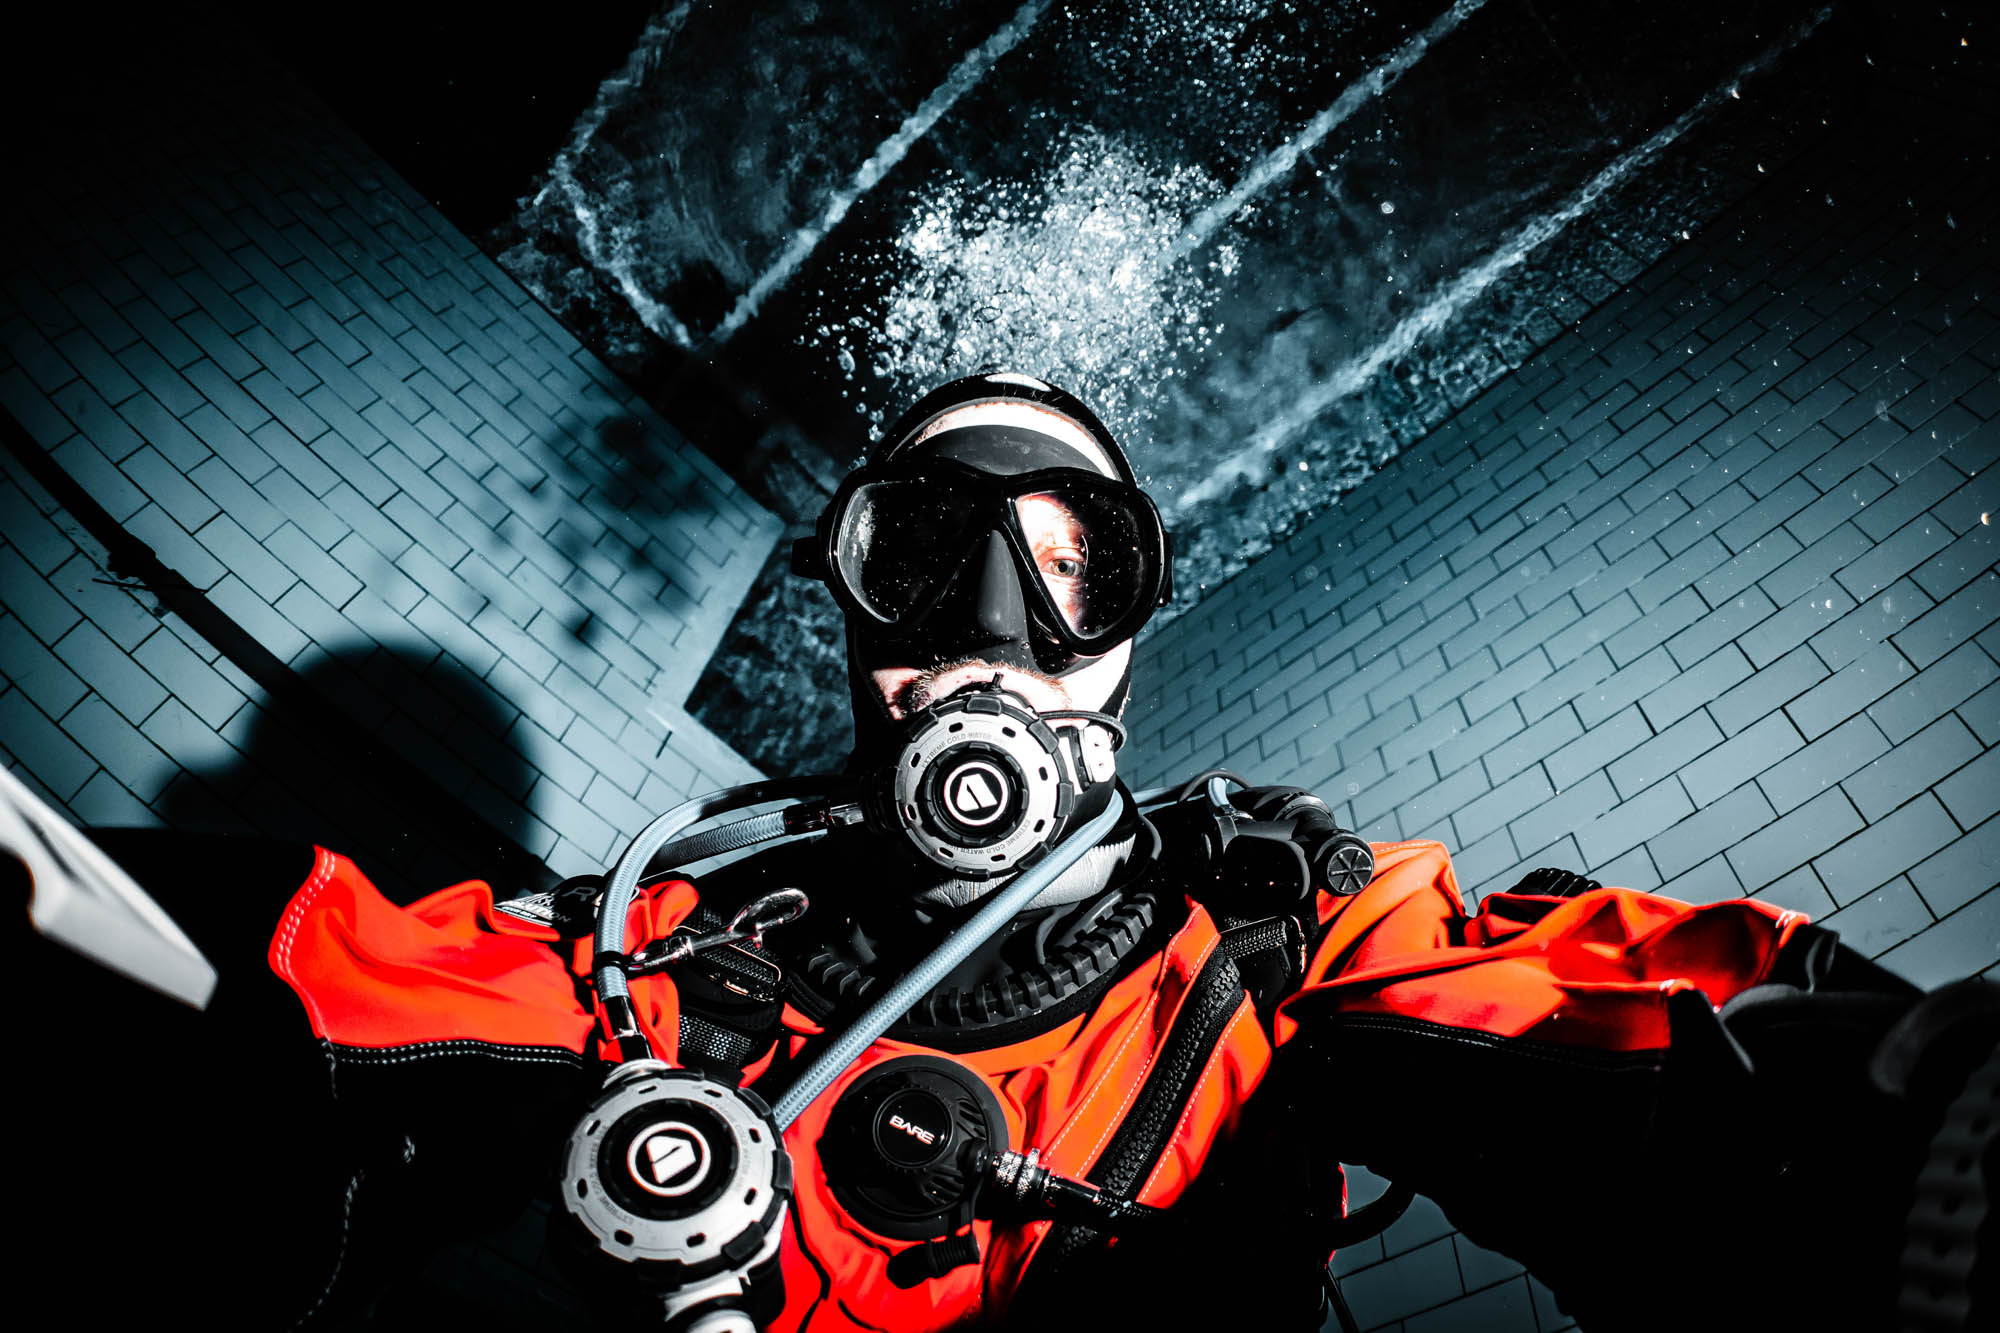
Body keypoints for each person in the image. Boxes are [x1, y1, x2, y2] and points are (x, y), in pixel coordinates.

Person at [16, 373, 1996, 1332]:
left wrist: (1924, 1154)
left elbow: (1617, 1040)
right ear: (854, 619)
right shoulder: (666, 947)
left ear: (1133, 631)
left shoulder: (1269, 928)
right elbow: (293, 969)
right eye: (926, 554)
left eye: (1071, 573)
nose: (989, 631)